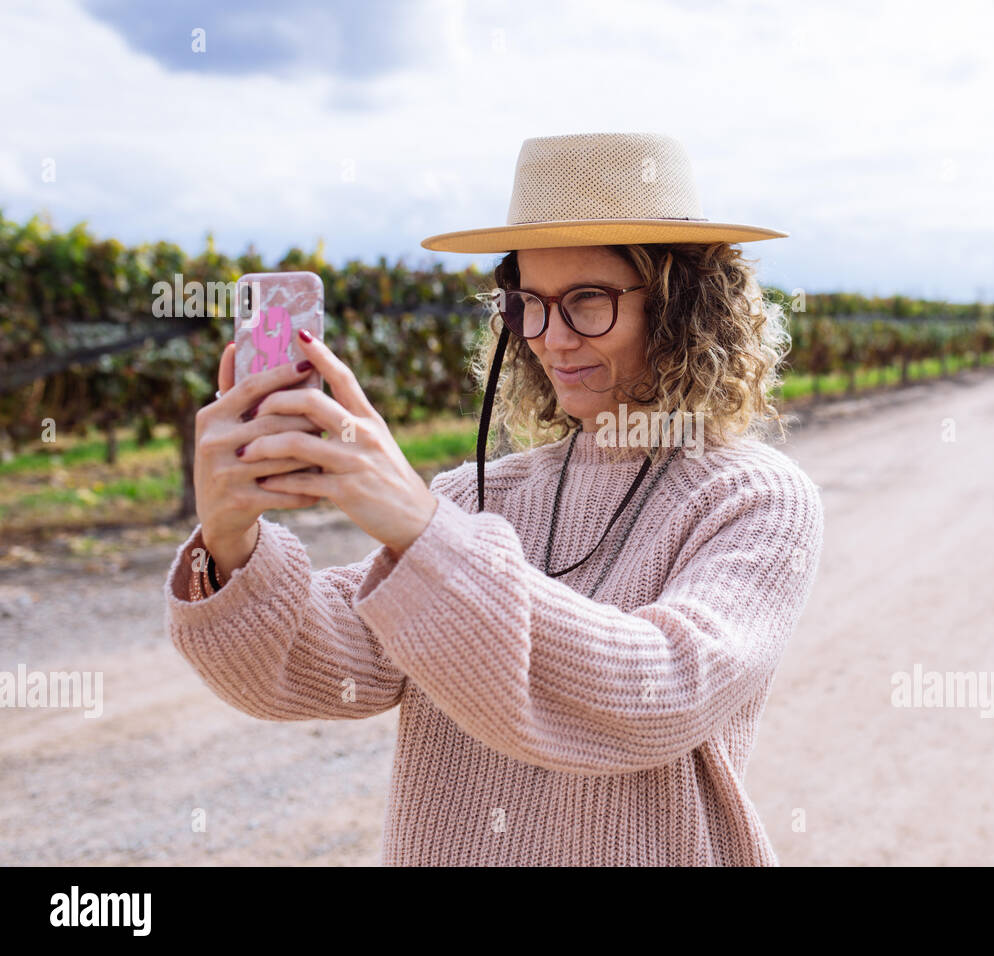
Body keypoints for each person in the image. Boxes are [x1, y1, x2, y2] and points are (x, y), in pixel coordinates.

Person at [163, 131, 825, 866]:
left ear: (682, 305)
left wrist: (422, 530)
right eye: (529, 304)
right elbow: (319, 671)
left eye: (586, 301)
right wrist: (230, 542)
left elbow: (662, 695)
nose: (550, 338)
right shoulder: (477, 495)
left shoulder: (755, 498)